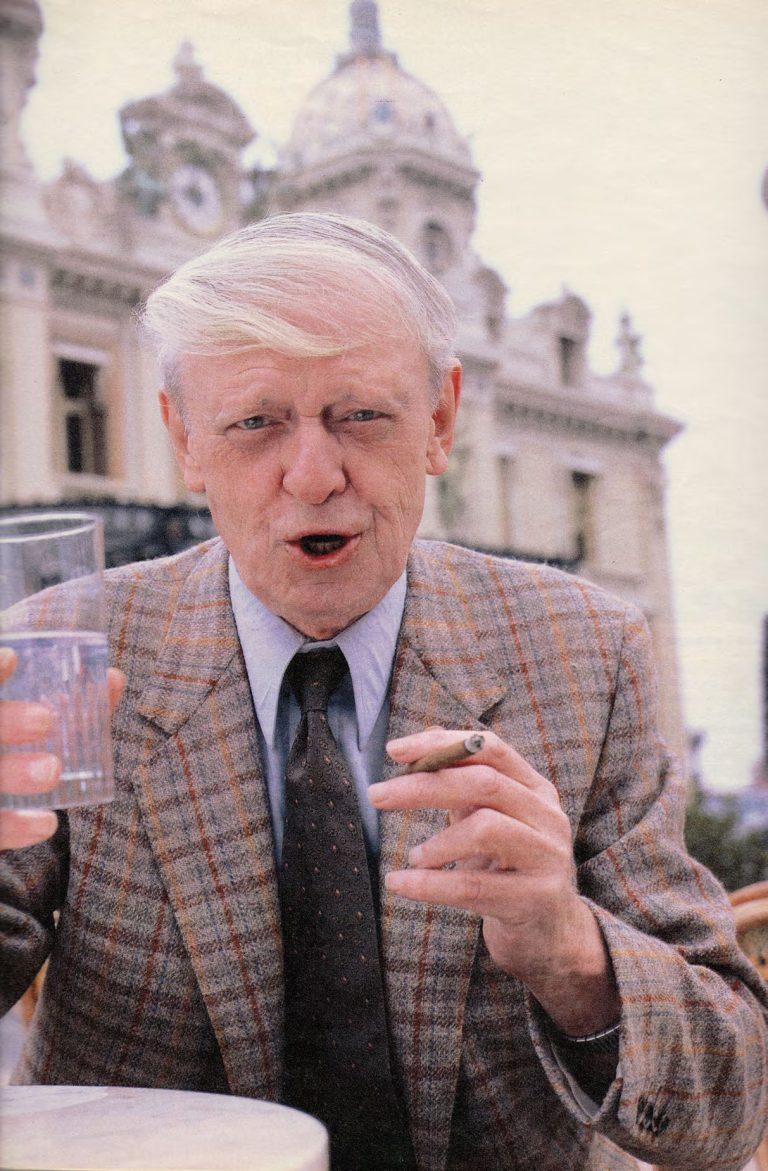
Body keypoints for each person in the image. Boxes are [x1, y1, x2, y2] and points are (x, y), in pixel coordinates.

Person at [1, 212, 766, 1171]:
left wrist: (571, 950)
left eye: (361, 415)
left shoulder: (582, 650)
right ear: (184, 439)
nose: (315, 477)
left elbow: (730, 1104)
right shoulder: (68, 655)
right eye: (255, 423)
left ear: (442, 421)